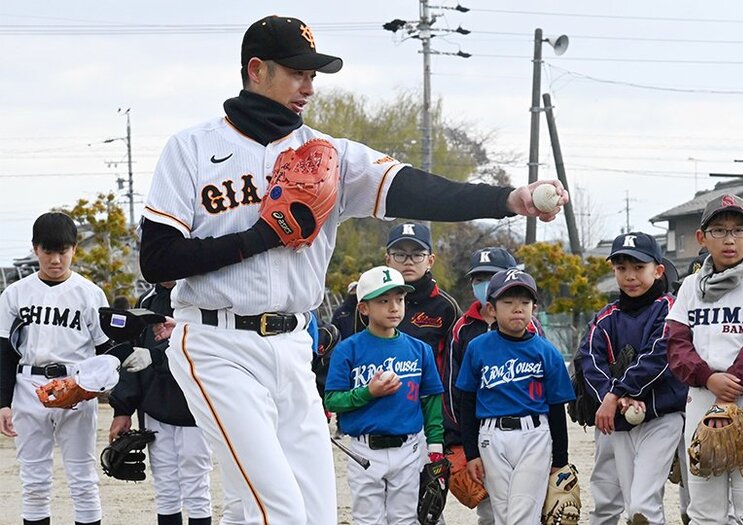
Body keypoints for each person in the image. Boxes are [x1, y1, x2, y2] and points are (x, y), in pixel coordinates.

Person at [137, 14, 566, 524]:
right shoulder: (191, 148)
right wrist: (261, 237)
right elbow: (157, 259)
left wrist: (507, 198)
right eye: (297, 72)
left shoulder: (329, 156)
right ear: (256, 69)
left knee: (309, 514)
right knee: (279, 511)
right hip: (216, 344)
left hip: (293, 346)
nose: (309, 86)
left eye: (314, 75)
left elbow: (413, 186)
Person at [666, 194, 743, 524]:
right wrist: (707, 378)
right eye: (718, 230)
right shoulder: (690, 286)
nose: (729, 239)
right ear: (701, 238)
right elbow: (676, 342)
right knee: (704, 507)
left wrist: (727, 389)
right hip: (702, 394)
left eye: (738, 230)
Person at [0, 212, 111, 525]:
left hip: (75, 386)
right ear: (36, 249)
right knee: (34, 483)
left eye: (63, 251)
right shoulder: (14, 294)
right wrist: (2, 403)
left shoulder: (90, 294)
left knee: (83, 480)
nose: (56, 259)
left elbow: (105, 351)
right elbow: (4, 352)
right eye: (48, 251)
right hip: (28, 387)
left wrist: (95, 390)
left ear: (74, 249)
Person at [579, 232, 687, 524]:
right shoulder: (605, 317)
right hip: (622, 422)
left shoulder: (670, 308)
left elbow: (659, 354)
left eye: (639, 267)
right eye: (622, 268)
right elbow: (590, 360)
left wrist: (617, 393)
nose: (630, 276)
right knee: (632, 504)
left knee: (642, 503)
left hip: (663, 417)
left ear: (658, 270)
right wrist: (610, 397)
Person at [324, 265, 444, 525]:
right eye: (383, 300)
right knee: (368, 520)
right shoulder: (348, 350)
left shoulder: (420, 350)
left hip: (410, 447)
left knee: (406, 519)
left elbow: (432, 399)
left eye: (399, 299)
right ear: (364, 308)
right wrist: (368, 392)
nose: (394, 307)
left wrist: (435, 446)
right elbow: (332, 400)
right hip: (365, 450)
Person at [456, 269, 575, 524]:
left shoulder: (546, 352)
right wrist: (471, 453)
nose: (517, 309)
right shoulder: (477, 347)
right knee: (503, 513)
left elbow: (556, 408)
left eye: (524, 302)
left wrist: (561, 459)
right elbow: (467, 402)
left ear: (534, 307)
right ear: (492, 309)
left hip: (534, 436)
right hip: (490, 438)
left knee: (522, 514)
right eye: (508, 302)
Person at [107, 281, 213, 525]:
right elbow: (131, 355)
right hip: (154, 406)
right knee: (165, 489)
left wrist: (157, 357)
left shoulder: (205, 295)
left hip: (194, 407)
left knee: (196, 488)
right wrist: (122, 409)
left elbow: (205, 348)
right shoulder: (147, 300)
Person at [442, 246, 527, 524]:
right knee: (491, 509)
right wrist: (459, 442)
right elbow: (454, 389)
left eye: (492, 277)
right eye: (479, 278)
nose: (485, 284)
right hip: (481, 430)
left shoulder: (528, 326)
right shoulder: (463, 328)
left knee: (528, 502)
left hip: (526, 432)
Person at [348, 222, 461, 368]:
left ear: (430, 260)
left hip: (428, 388)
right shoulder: (370, 300)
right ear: (388, 259)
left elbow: (454, 363)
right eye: (400, 255)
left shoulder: (446, 307)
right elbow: (358, 351)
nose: (409, 262)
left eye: (417, 255)